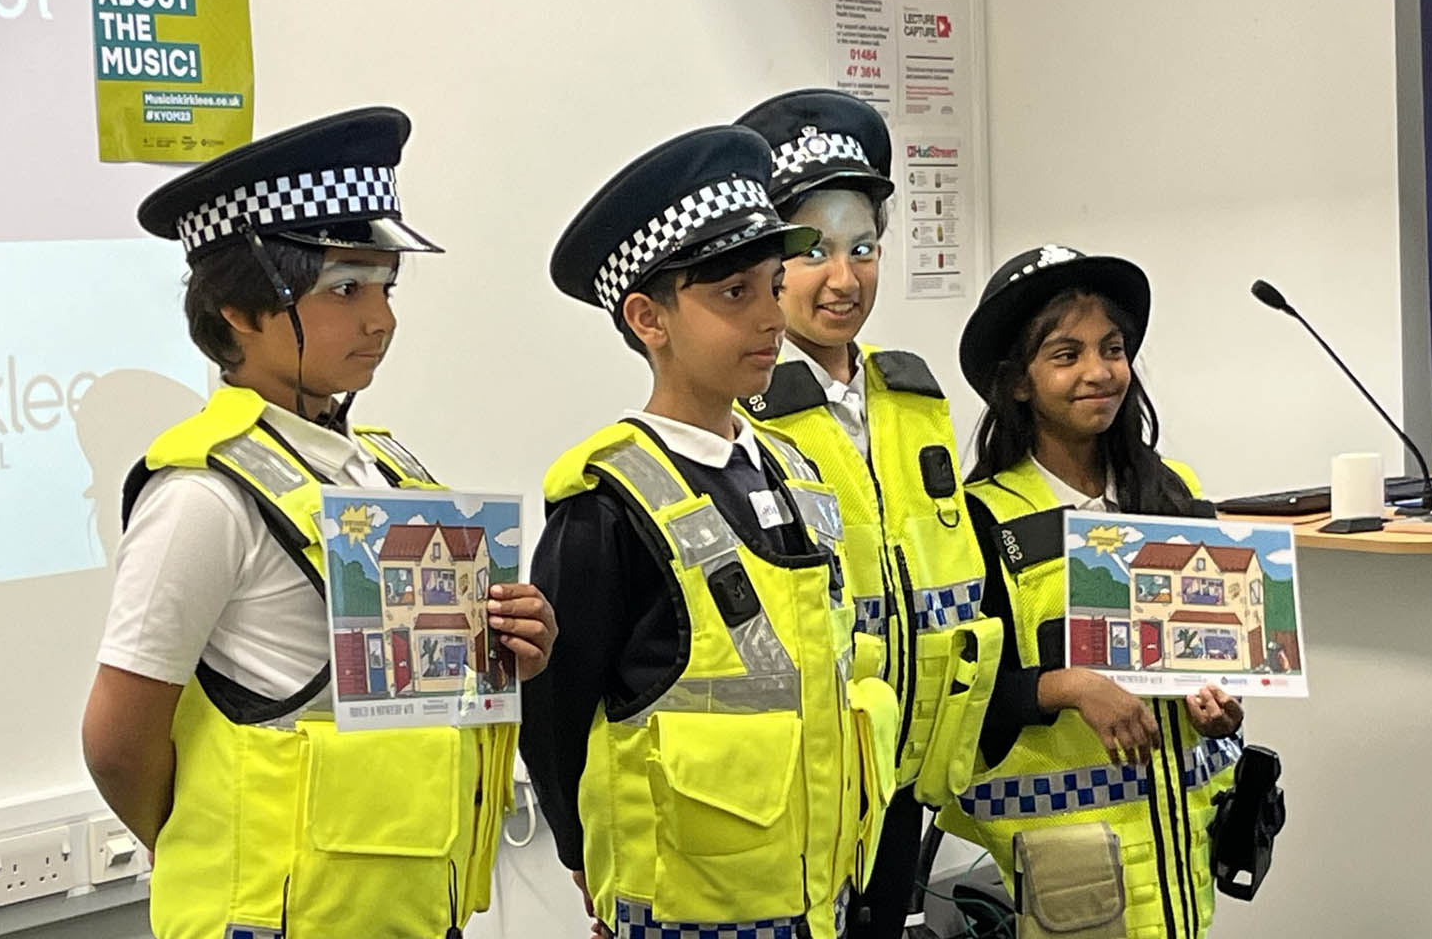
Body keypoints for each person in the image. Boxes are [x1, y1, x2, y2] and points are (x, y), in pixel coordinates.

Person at [81, 107, 557, 939]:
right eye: (344, 288)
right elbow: (118, 738)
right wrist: (200, 837)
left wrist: (517, 638)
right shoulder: (204, 494)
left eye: (385, 287)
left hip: (406, 912)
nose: (382, 319)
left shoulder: (385, 471)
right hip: (273, 917)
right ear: (238, 306)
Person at [525, 124, 901, 939]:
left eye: (772, 285)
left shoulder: (796, 472)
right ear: (647, 317)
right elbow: (554, 712)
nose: (771, 317)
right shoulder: (608, 499)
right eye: (735, 295)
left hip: (819, 904)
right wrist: (582, 856)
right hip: (688, 914)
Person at [735, 88, 1001, 938]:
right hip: (797, 784)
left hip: (908, 771)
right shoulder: (737, 412)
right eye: (811, 251)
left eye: (865, 248)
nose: (843, 280)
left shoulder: (912, 395)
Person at [936, 245, 1245, 939]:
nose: (1099, 373)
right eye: (1066, 355)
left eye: (1112, 348)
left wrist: (1221, 705)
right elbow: (961, 704)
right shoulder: (979, 520)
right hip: (1063, 871)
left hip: (1182, 856)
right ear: (1019, 382)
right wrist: (1069, 687)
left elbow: (1221, 658)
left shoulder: (1175, 496)